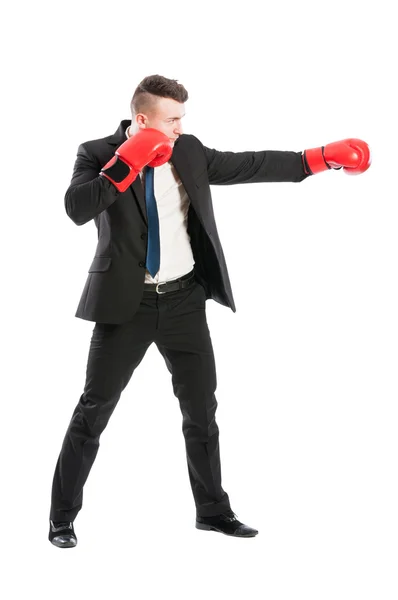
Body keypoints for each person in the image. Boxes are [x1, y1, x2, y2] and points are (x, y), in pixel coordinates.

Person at [48, 74, 371, 548]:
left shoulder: (189, 148)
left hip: (183, 301)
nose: (180, 127)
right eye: (172, 119)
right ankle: (61, 518)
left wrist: (315, 159)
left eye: (183, 118)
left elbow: (248, 164)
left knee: (201, 412)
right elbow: (77, 209)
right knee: (93, 412)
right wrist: (125, 165)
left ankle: (213, 512)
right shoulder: (96, 152)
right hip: (125, 305)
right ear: (143, 119)